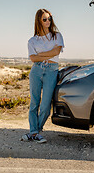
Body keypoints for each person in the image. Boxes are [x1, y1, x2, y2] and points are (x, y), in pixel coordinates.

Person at [21, 9, 64, 143]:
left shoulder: (57, 36)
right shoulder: (32, 41)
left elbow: (57, 51)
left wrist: (41, 55)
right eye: (45, 19)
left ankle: (35, 132)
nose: (48, 21)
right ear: (39, 21)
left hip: (51, 71)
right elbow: (33, 59)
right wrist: (49, 54)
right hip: (36, 71)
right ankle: (35, 132)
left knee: (45, 105)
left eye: (49, 18)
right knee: (34, 103)